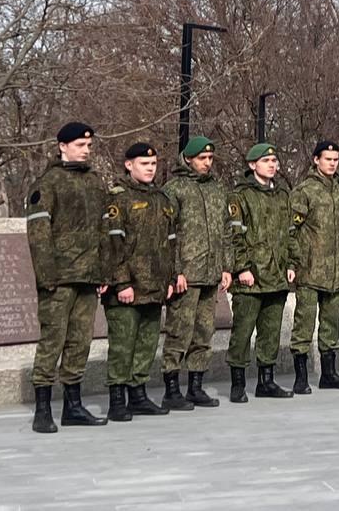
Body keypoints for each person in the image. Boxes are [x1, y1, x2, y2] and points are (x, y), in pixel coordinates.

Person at [25, 121, 109, 433]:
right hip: (58, 279)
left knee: (80, 342)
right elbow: (38, 235)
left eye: (88, 145)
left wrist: (103, 271)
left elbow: (104, 231)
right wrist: (48, 277)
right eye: (80, 145)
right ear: (63, 146)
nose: (86, 149)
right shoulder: (47, 184)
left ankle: (73, 405)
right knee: (52, 341)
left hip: (87, 277)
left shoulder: (94, 182)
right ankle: (43, 409)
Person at [101, 142, 182, 421]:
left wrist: (170, 278)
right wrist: (121, 283)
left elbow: (170, 243)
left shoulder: (162, 199)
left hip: (155, 287)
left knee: (147, 344)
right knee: (123, 345)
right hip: (127, 289)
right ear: (129, 165)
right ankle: (117, 399)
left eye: (153, 164)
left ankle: (138, 394)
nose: (150, 168)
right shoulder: (118, 198)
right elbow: (113, 243)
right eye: (144, 164)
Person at [160, 135, 232, 409]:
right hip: (186, 274)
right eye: (202, 158)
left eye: (210, 158)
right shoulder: (174, 188)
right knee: (179, 331)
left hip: (211, 272)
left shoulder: (216, 188)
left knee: (204, 332)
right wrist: (175, 270)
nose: (207, 163)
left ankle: (195, 386)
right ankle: (171, 388)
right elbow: (168, 234)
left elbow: (226, 229)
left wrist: (227, 266)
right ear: (188, 159)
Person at [226, 143, 295, 402]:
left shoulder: (282, 195)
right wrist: (241, 267)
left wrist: (291, 264)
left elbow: (290, 234)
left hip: (276, 275)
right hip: (251, 276)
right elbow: (235, 235)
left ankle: (266, 381)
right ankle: (238, 383)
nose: (272, 165)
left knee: (270, 332)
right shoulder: (240, 196)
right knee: (243, 332)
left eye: (274, 160)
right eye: (266, 161)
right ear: (252, 165)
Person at [289, 140, 339, 393]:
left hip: (337, 271)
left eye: (336, 159)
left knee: (331, 326)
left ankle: (329, 374)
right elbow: (291, 230)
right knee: (304, 325)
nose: (332, 163)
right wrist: (294, 261)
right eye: (328, 159)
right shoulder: (304, 191)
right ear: (316, 160)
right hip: (310, 269)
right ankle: (301, 375)